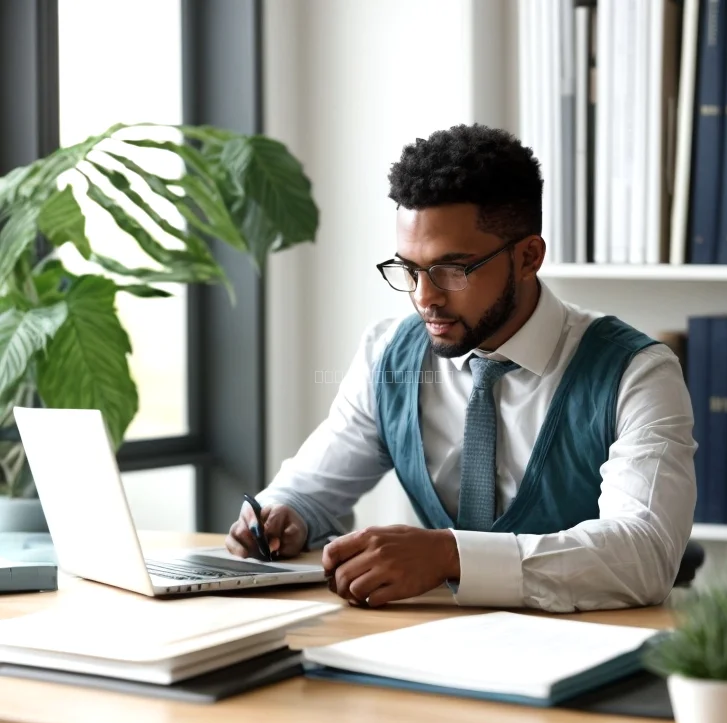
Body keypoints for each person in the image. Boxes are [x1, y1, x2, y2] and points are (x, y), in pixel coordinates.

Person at [225, 124, 696, 613]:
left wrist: (452, 555)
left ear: (528, 256)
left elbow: (645, 553)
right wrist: (284, 515)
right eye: (407, 268)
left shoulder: (637, 374)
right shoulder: (389, 354)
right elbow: (310, 488)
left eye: (453, 270)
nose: (424, 296)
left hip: (583, 650)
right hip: (425, 640)